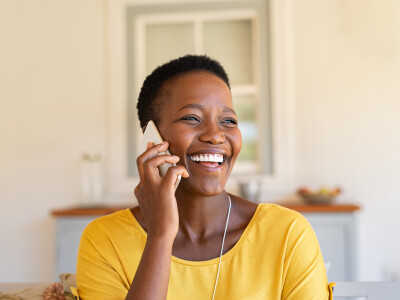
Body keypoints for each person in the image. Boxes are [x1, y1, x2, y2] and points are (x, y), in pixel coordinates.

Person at [76, 55, 334, 299]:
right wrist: (160, 235)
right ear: (151, 137)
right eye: (192, 118)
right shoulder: (104, 240)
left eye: (228, 121)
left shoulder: (288, 233)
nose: (216, 135)